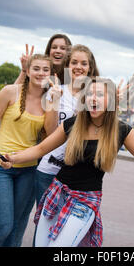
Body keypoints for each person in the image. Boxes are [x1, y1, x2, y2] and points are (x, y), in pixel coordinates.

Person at [1, 77, 134, 247]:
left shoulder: (121, 130)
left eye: (99, 94)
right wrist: (13, 158)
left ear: (111, 100)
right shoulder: (74, 124)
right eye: (89, 94)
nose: (93, 98)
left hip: (85, 201)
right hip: (57, 192)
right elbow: (41, 149)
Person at [0, 54, 55, 247]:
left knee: (17, 227)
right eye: (36, 68)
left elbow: (50, 135)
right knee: (3, 227)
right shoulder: (10, 92)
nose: (41, 73)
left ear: (51, 74)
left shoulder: (49, 100)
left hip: (29, 169)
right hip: (0, 166)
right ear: (28, 71)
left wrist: (54, 103)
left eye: (45, 70)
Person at [34, 45, 100, 207]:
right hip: (49, 169)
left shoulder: (95, 97)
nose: (79, 67)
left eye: (84, 63)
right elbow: (50, 133)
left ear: (90, 68)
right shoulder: (55, 91)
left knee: (64, 229)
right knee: (43, 225)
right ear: (67, 66)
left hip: (78, 173)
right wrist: (54, 102)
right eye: (74, 62)